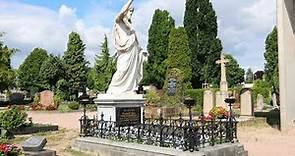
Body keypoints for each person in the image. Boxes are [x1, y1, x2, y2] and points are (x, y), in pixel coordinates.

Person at [107, 0, 148, 94]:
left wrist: (141, 51)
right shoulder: (119, 21)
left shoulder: (130, 25)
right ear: (125, 11)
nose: (131, 14)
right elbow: (121, 12)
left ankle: (129, 89)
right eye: (130, 11)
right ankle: (113, 88)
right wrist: (131, 1)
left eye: (132, 12)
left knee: (132, 72)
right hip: (125, 50)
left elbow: (136, 41)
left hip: (133, 50)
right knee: (122, 69)